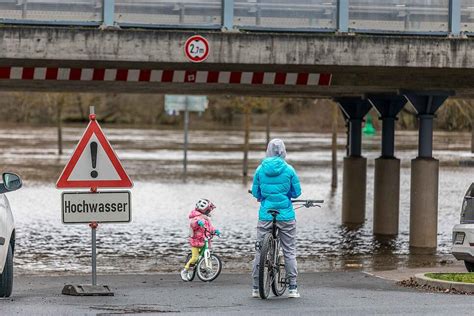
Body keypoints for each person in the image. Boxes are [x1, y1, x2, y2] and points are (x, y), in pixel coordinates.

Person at [251, 138, 302, 298]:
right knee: (289, 250)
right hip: (285, 214)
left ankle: (255, 287)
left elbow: (256, 192)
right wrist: (286, 195)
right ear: (283, 151)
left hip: (266, 214)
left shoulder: (260, 169)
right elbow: (296, 192)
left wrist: (262, 197)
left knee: (260, 250)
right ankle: (292, 288)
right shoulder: (289, 169)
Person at [180, 198, 220, 281]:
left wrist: (214, 231)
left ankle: (208, 269)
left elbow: (209, 228)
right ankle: (185, 270)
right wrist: (198, 222)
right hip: (196, 241)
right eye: (208, 210)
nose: (209, 211)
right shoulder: (196, 217)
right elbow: (192, 224)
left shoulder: (206, 219)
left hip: (204, 240)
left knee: (207, 255)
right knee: (195, 257)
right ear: (204, 210)